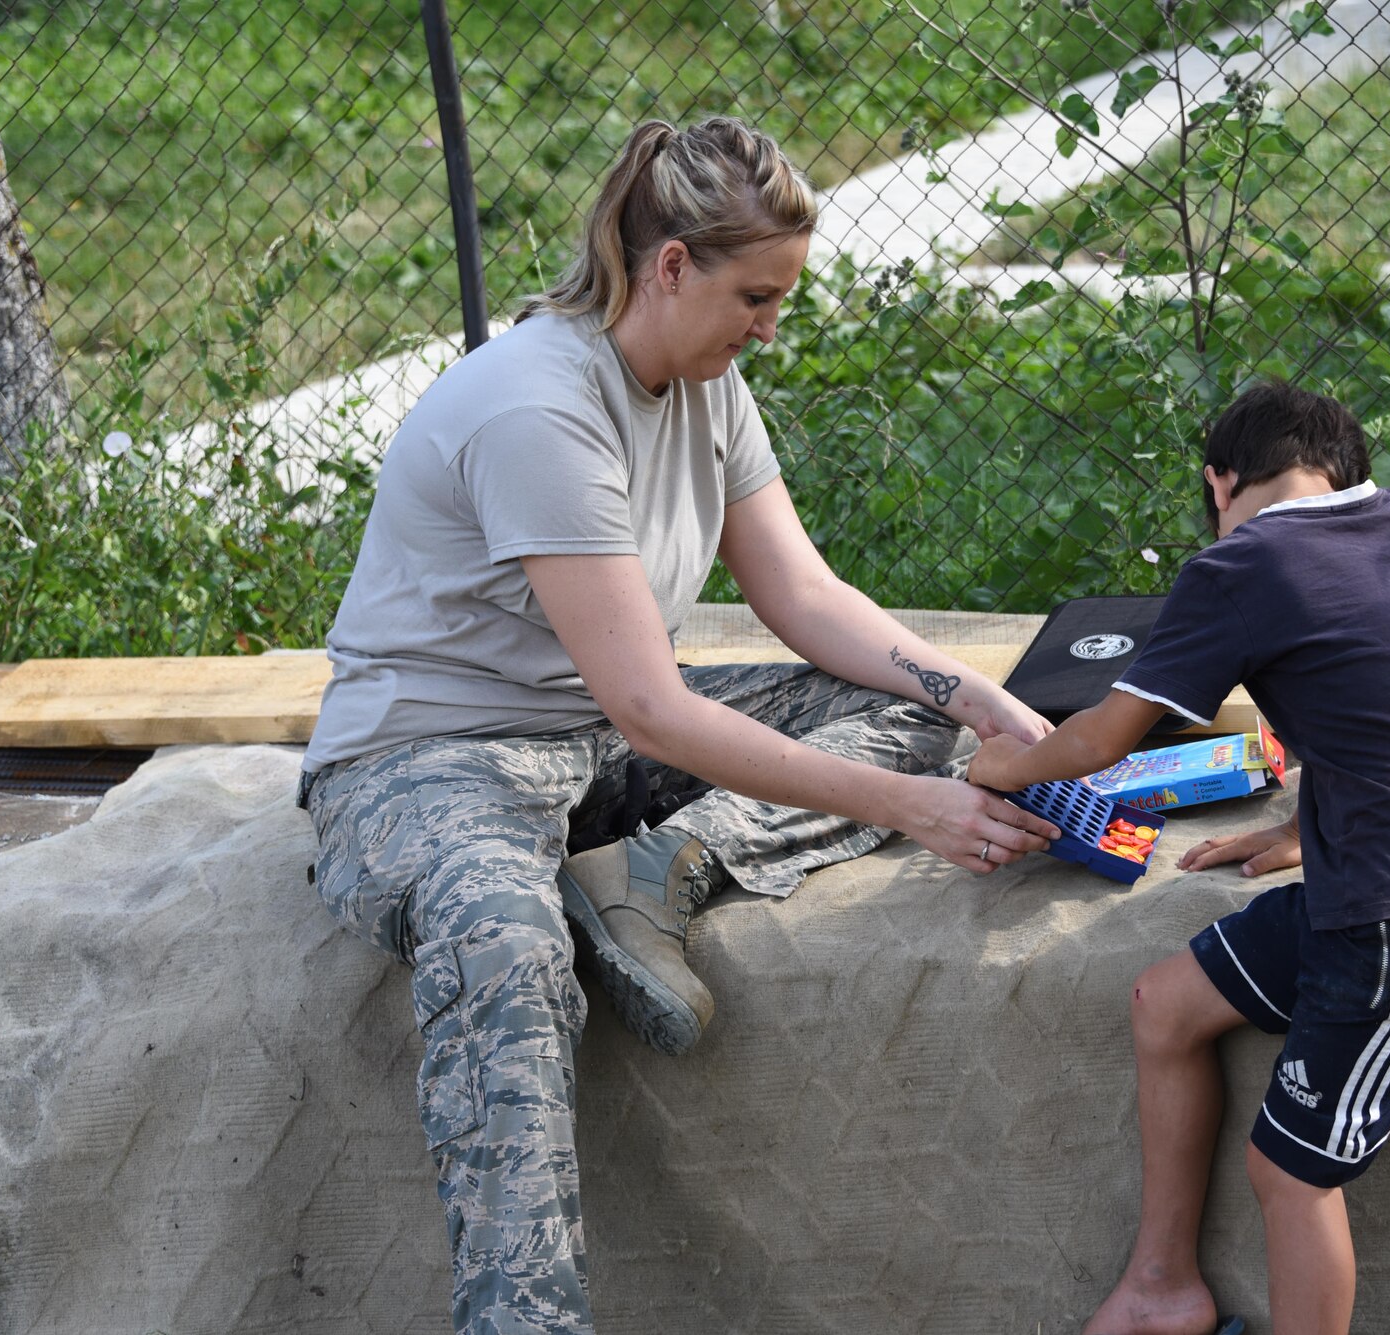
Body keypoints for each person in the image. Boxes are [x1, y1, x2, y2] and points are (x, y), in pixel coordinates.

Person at [298, 115, 1061, 1334]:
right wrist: (908, 806)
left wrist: (988, 705)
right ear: (667, 267)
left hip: (590, 750)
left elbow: (803, 598)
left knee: (902, 713)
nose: (770, 325)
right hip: (426, 758)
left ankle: (655, 872)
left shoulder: (710, 384)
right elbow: (652, 702)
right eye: (755, 296)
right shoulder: (536, 408)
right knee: (506, 948)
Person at [968, 381, 1390, 1335]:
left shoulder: (1240, 563)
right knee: (1165, 1004)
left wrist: (1007, 763)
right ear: (1344, 469)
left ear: (1220, 481)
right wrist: (1305, 828)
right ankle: (1161, 1289)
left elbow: (1103, 738)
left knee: (1289, 1172)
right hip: (1374, 879)